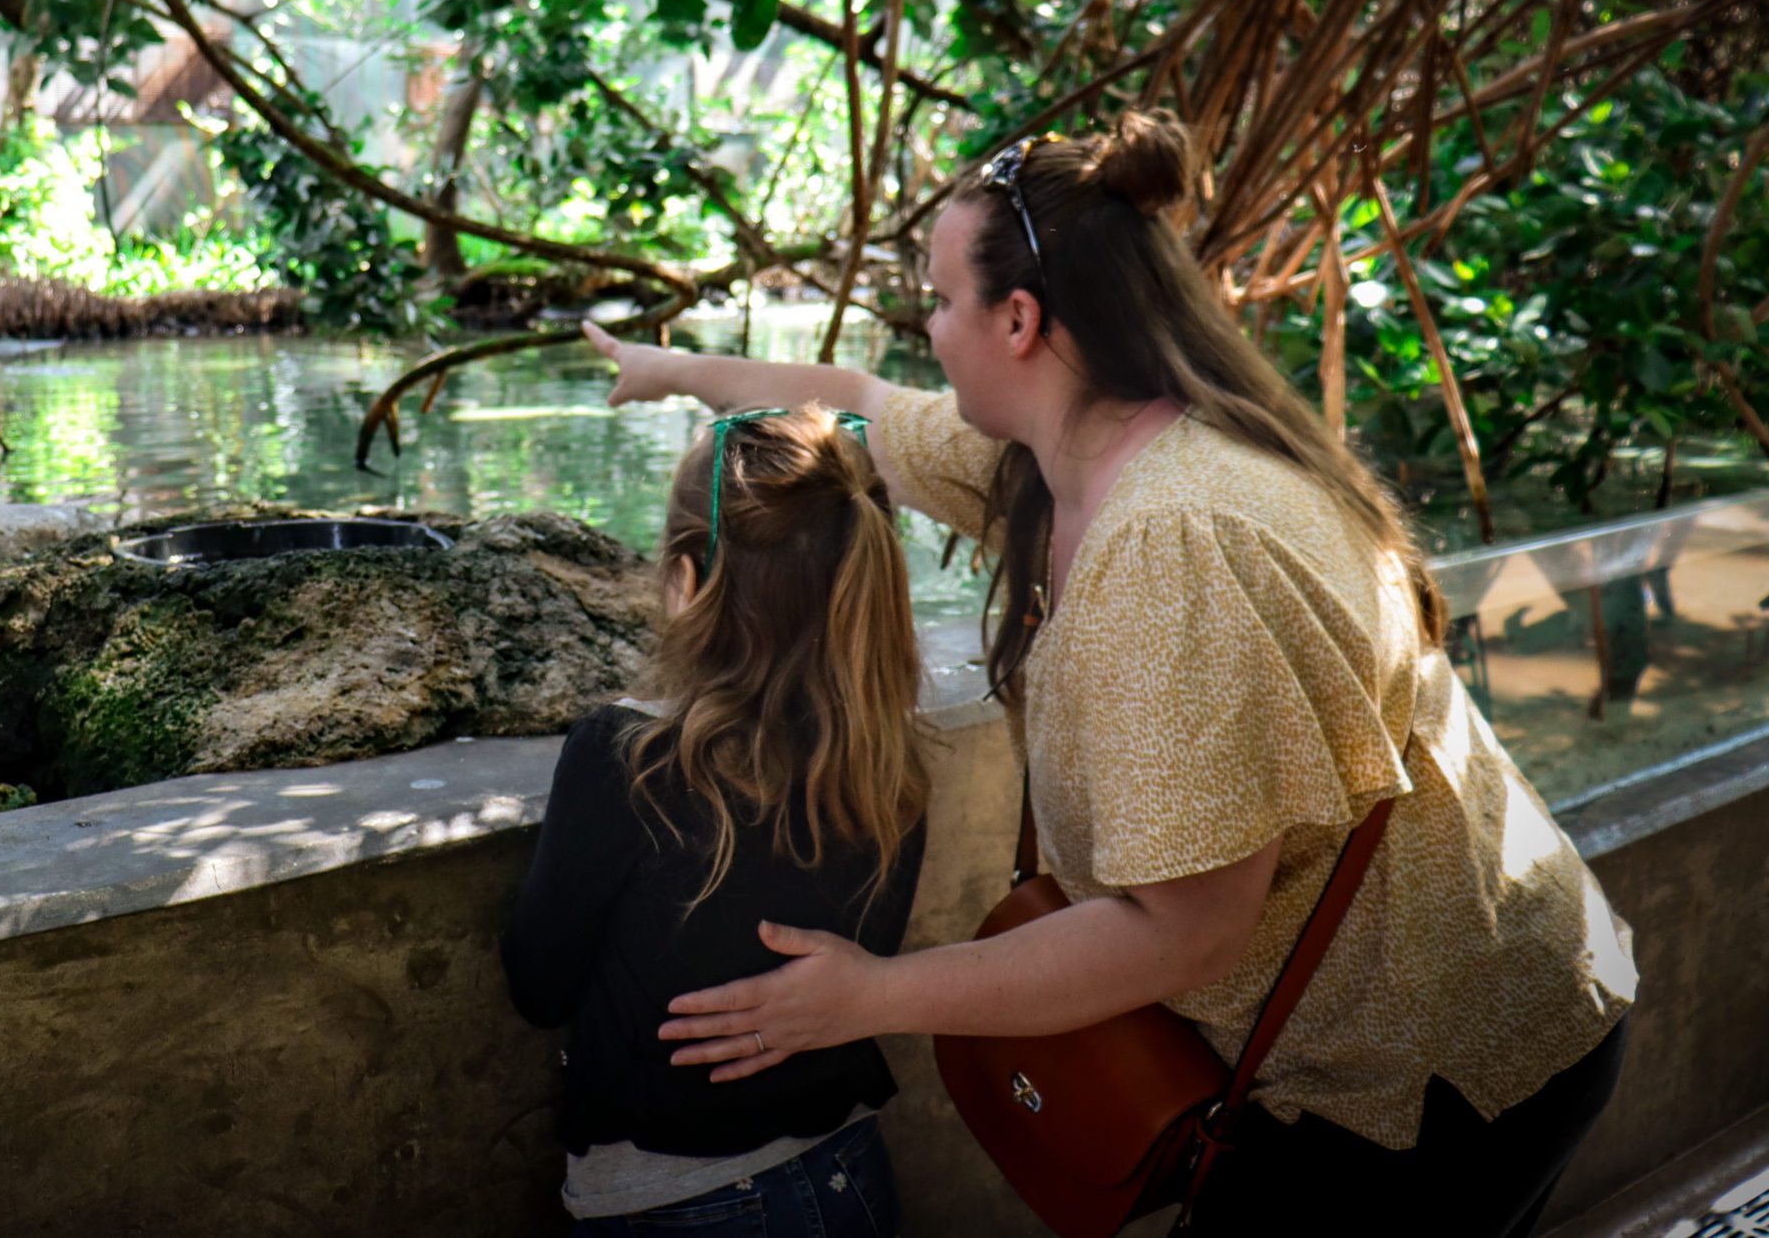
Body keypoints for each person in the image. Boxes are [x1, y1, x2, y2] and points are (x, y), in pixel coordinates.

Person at [581, 113, 1637, 1238]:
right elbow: (854, 399)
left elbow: (1184, 930)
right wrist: (673, 370)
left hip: (1439, 1074)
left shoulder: (1175, 544)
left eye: (939, 302)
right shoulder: (1067, 447)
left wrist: (870, 996)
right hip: (1413, 1025)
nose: (927, 332)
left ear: (1020, 320)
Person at [501, 406, 928, 1236]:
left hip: (681, 1204)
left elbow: (538, 980)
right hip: (852, 1174)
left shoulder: (624, 757)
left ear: (689, 578)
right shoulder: (887, 757)